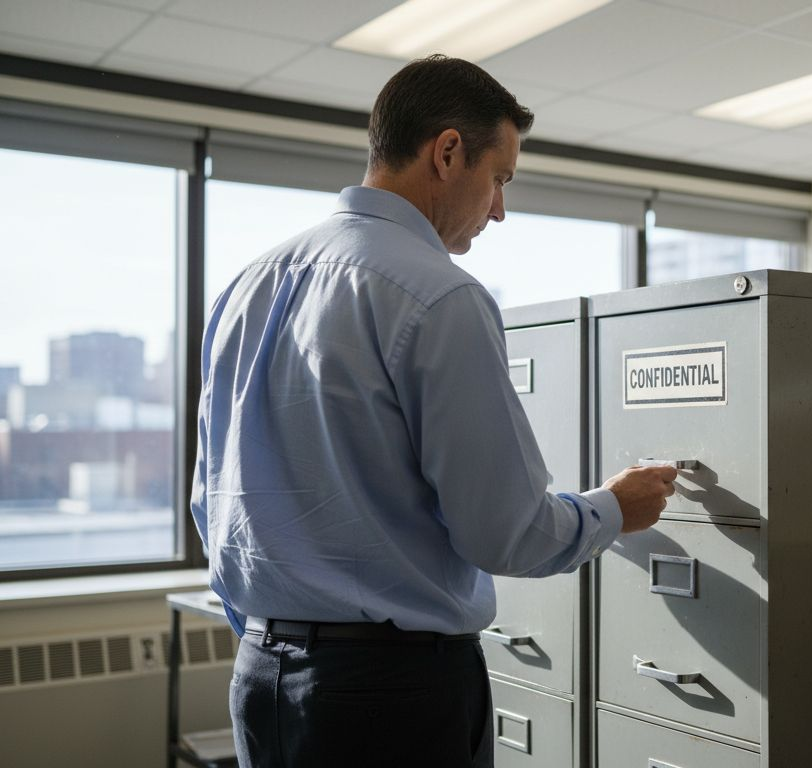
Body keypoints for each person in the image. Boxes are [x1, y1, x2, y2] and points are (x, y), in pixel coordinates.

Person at [190, 55, 677, 768]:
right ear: (448, 152)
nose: (500, 208)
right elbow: (505, 533)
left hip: (261, 677)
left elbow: (212, 504)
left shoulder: (246, 285)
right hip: (390, 694)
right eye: (500, 177)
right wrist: (613, 507)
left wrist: (280, 632)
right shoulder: (439, 295)